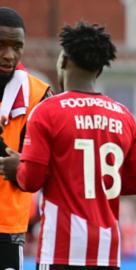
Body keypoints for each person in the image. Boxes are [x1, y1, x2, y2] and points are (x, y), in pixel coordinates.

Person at [15, 22, 136, 269]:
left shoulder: (47, 111)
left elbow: (30, 180)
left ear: (64, 60)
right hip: (107, 252)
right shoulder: (124, 116)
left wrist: (19, 166)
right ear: (99, 70)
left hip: (60, 250)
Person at [0, 7, 52, 270]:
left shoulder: (40, 95)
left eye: (16, 46)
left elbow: (60, 160)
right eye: (1, 45)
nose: (8, 55)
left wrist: (25, 167)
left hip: (8, 229)